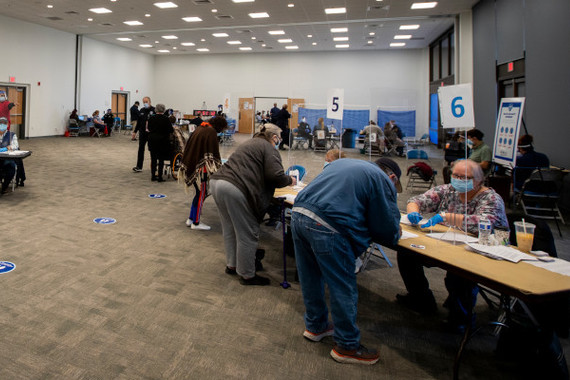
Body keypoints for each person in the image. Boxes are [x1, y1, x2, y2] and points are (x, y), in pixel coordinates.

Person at [291, 157, 401, 365]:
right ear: (393, 177)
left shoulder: (347, 163)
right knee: (342, 285)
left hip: (298, 215)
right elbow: (385, 225)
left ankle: (316, 326)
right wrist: (396, 232)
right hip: (328, 225)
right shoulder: (382, 179)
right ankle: (347, 346)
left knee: (310, 277)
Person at [397, 159, 508, 332]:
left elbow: (485, 222)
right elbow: (417, 200)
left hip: (480, 249)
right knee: (407, 253)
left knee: (459, 275)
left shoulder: (491, 198)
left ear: (479, 180)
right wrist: (413, 211)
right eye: (455, 175)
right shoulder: (448, 190)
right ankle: (421, 299)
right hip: (448, 242)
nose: (457, 179)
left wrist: (446, 217)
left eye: (464, 177)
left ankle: (461, 319)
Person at [210, 124, 295, 285]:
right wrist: (290, 180)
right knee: (247, 232)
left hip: (217, 182)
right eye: (280, 137)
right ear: (274, 138)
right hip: (235, 187)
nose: (280, 140)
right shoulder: (269, 148)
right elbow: (275, 175)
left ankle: (232, 265)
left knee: (230, 229)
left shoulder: (250, 143)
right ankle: (247, 274)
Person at [180, 116, 227, 230]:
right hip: (202, 170)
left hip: (194, 166)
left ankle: (191, 218)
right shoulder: (210, 132)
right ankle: (196, 223)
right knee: (201, 194)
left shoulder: (201, 128)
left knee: (198, 194)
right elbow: (212, 153)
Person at [147, 103, 174, 182]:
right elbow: (171, 130)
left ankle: (153, 176)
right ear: (163, 110)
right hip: (162, 141)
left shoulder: (151, 118)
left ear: (156, 109)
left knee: (153, 159)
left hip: (152, 140)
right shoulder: (166, 119)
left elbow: (148, 128)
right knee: (161, 160)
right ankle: (160, 177)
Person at [132, 96, 155, 173]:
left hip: (151, 134)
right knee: (141, 149)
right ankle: (139, 166)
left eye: (146, 102)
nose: (145, 103)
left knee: (152, 150)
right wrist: (135, 132)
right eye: (144, 102)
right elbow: (138, 122)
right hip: (142, 133)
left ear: (150, 102)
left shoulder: (154, 110)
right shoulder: (141, 110)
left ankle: (154, 166)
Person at [0, 117, 18, 194]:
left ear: (7, 125)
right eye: (0, 123)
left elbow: (15, 146)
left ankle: (4, 187)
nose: (2, 125)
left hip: (7, 159)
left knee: (11, 167)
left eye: (4, 123)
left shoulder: (12, 135)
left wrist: (9, 147)